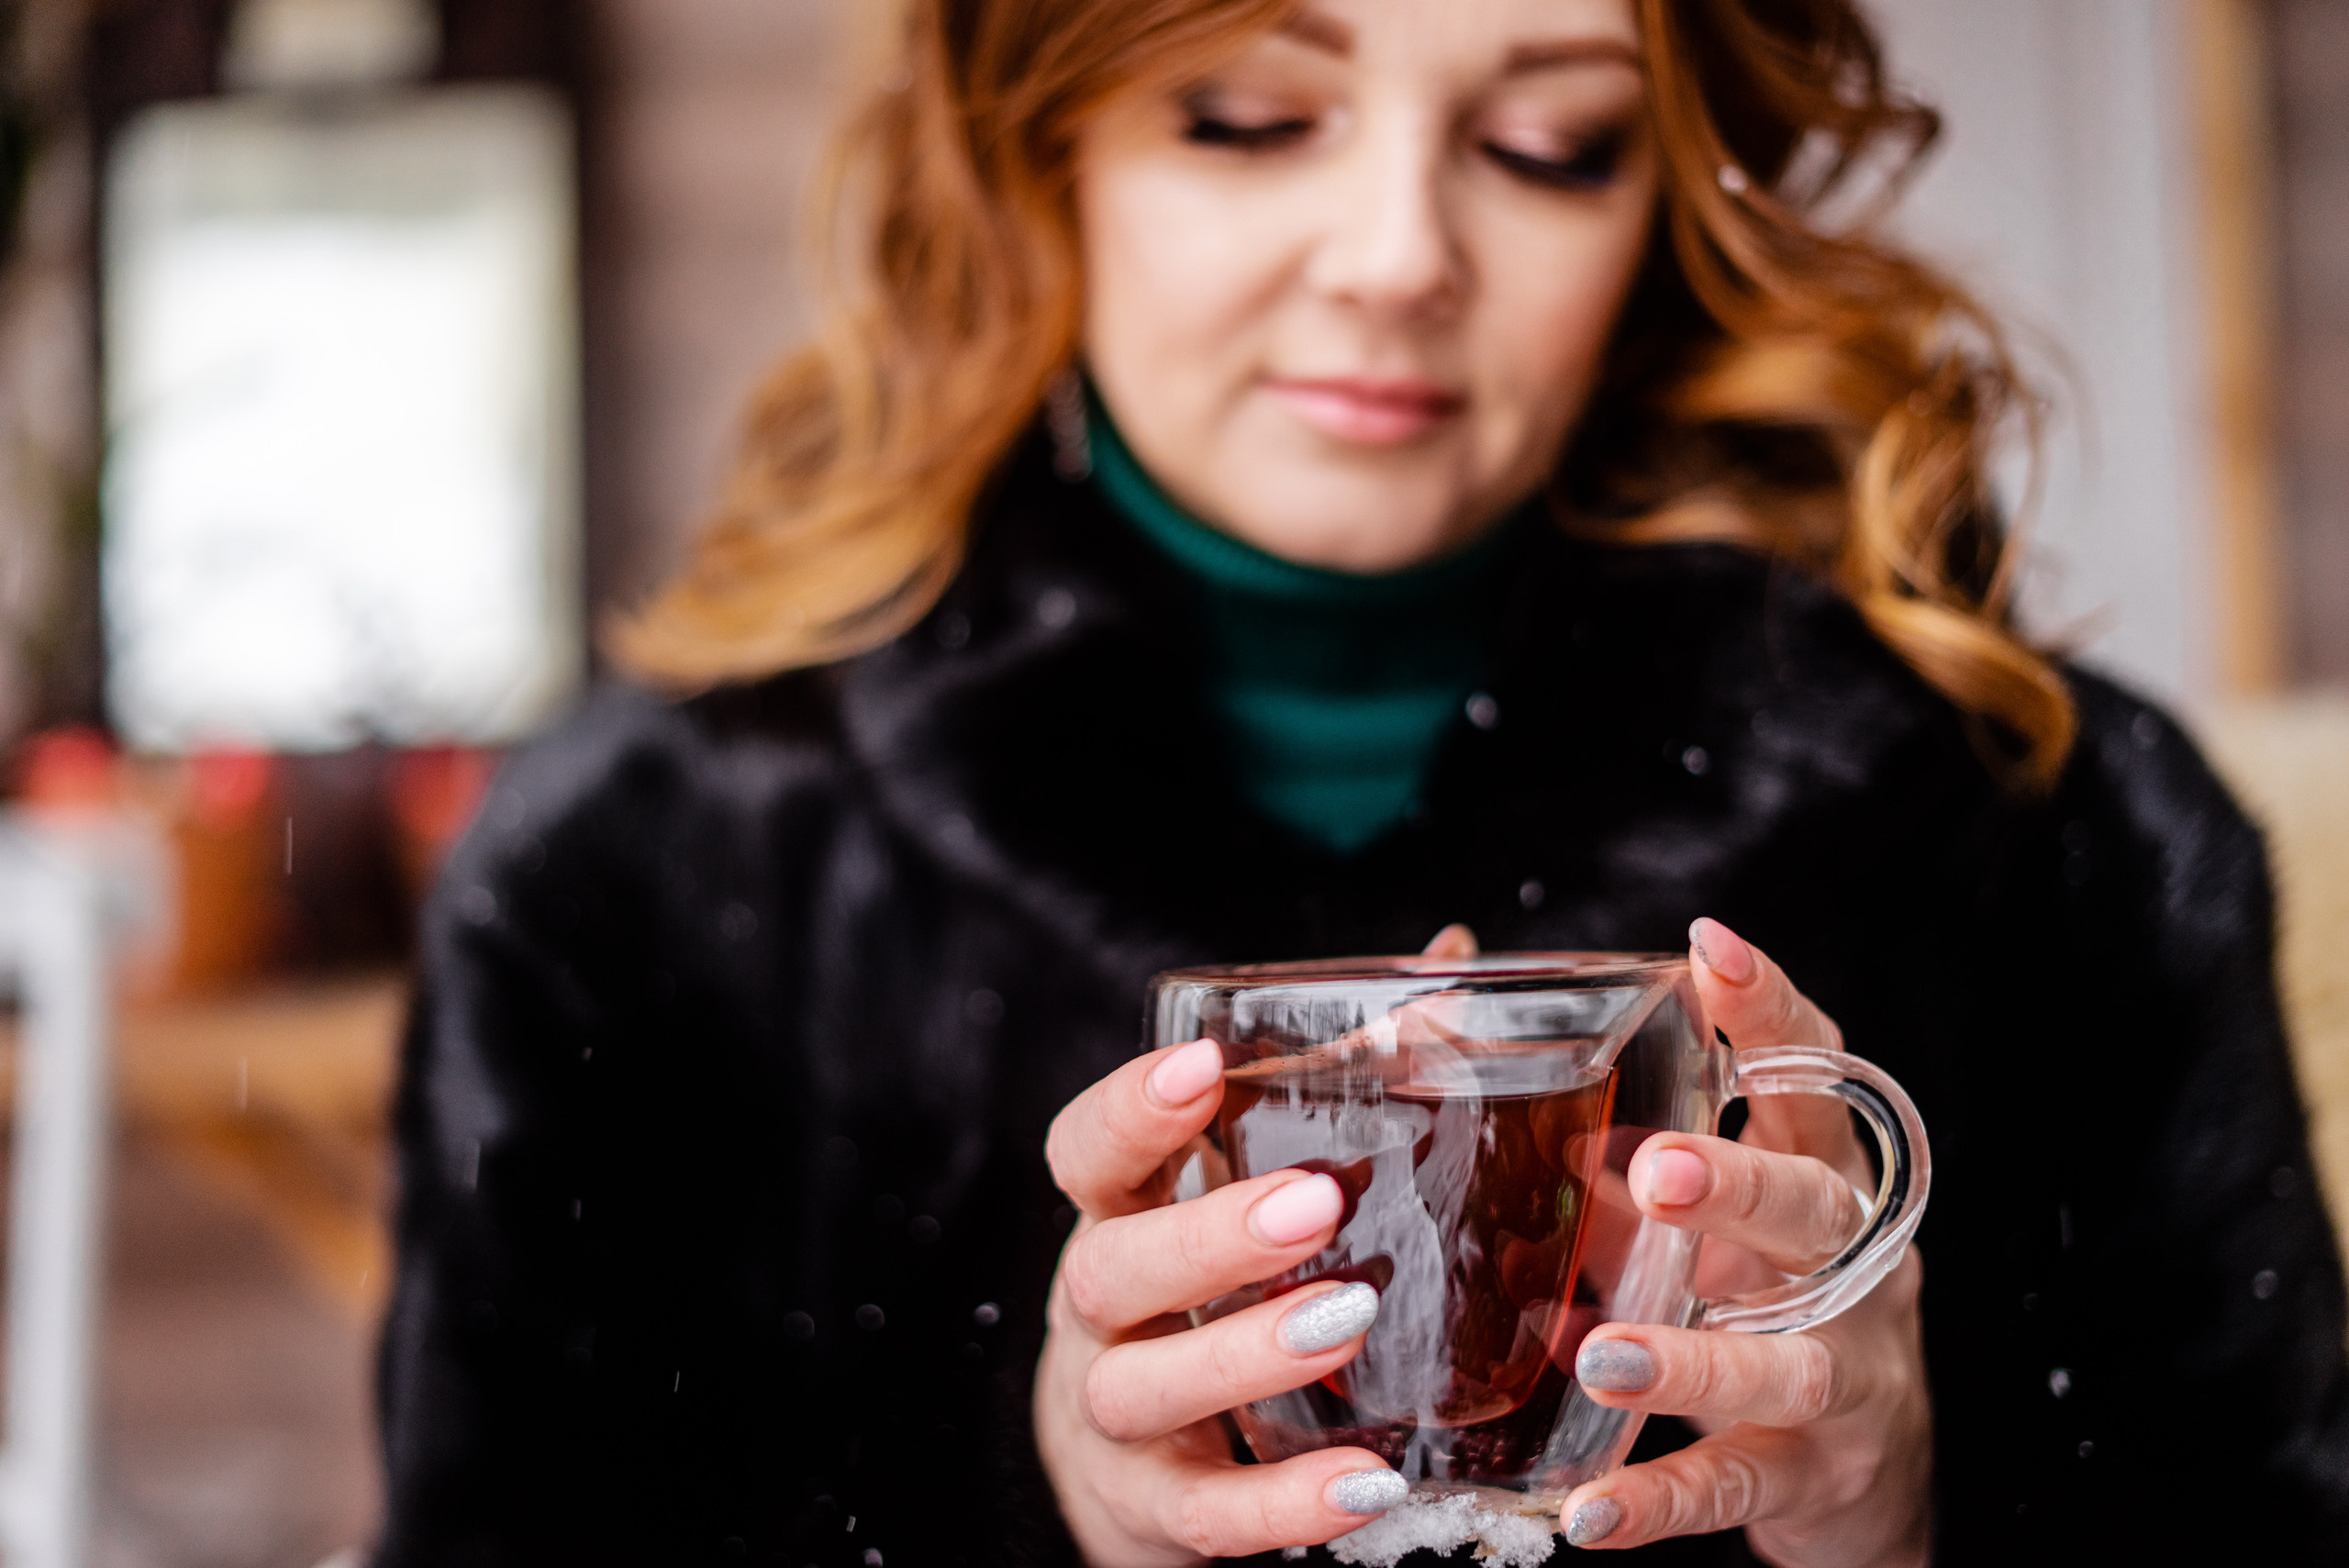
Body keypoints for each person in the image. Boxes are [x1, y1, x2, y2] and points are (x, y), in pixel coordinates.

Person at [371, 0, 2349, 1563]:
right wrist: (1034, 1510)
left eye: (1545, 144)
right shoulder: (622, 878)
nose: (1397, 256)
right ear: (1029, 139)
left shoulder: (2059, 832)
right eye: (1245, 113)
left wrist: (1909, 1517)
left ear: (1666, 185)